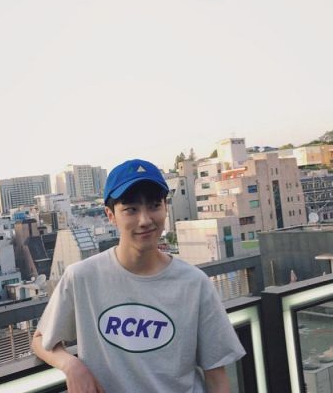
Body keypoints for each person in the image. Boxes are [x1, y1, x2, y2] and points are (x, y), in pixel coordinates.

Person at [32, 158, 245, 392]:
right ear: (110, 215)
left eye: (154, 205)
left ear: (165, 208)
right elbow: (40, 339)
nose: (145, 220)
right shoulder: (82, 277)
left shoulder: (194, 283)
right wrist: (71, 365)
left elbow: (216, 376)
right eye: (131, 209)